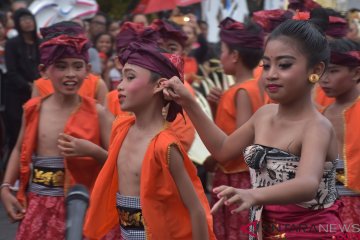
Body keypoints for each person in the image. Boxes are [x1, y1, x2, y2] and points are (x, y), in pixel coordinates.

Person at [163, 19, 347, 239]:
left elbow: (307, 183)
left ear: (315, 70)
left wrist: (253, 194)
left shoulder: (317, 126)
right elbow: (222, 149)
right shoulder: (264, 115)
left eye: (284, 65)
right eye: (266, 65)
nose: (271, 74)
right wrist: (189, 102)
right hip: (264, 229)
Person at [84, 40, 215, 240]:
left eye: (130, 78)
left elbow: (196, 209)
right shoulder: (121, 128)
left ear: (159, 85)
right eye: (122, 77)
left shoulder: (165, 146)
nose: (120, 86)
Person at [0, 21, 113, 239]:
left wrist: (92, 151)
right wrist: (5, 188)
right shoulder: (34, 110)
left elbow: (118, 162)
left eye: (77, 66)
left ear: (88, 70)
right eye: (61, 66)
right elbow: (18, 149)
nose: (70, 74)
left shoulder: (98, 113)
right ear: (44, 71)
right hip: (39, 205)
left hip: (84, 205)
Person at [205, 17, 265, 240]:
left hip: (237, 175)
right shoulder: (252, 87)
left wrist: (214, 159)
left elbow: (242, 140)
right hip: (244, 174)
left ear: (235, 55)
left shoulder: (240, 91)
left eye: (222, 50)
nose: (220, 57)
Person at [319, 38, 360, 235]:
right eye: (322, 71)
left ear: (357, 73)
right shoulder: (322, 114)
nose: (324, 78)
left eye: (333, 71)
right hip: (328, 202)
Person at [4, 8, 40, 161]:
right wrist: (28, 85)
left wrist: (39, 84)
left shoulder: (41, 43)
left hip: (39, 93)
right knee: (17, 133)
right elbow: (11, 71)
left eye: (29, 18)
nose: (27, 22)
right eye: (23, 19)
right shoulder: (12, 44)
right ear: (18, 24)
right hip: (16, 95)